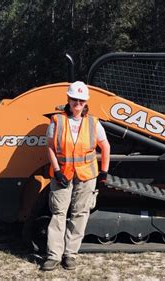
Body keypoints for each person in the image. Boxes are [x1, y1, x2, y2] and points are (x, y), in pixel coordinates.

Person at [41, 81, 111, 271]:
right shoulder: (57, 121)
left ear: (85, 102)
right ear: (68, 100)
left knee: (80, 213)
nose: (77, 103)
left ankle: (70, 254)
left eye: (81, 100)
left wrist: (104, 172)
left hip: (86, 175)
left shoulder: (93, 122)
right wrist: (56, 170)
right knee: (58, 213)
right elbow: (49, 146)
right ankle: (53, 256)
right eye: (74, 99)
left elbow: (105, 146)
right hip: (62, 174)